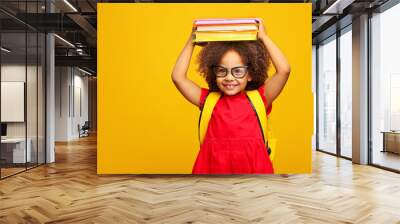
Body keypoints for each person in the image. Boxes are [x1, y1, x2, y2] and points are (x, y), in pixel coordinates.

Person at [171, 19, 290, 174]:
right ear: (214, 72)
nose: (229, 77)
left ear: (250, 74)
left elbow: (284, 70)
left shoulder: (260, 98)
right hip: (213, 168)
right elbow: (178, 77)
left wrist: (264, 38)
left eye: (238, 71)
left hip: (253, 169)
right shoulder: (209, 100)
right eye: (222, 70)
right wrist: (191, 41)